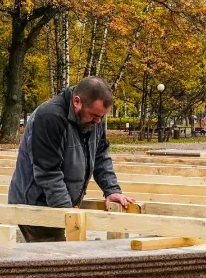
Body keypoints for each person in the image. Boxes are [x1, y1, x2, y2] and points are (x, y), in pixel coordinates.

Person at [8, 76, 134, 242]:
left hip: (60, 202)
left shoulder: (93, 120)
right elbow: (48, 173)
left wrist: (112, 190)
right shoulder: (50, 117)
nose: (98, 121)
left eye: (101, 117)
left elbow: (101, 156)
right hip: (36, 203)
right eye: (94, 115)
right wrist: (68, 212)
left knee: (62, 257)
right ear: (77, 102)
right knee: (53, 259)